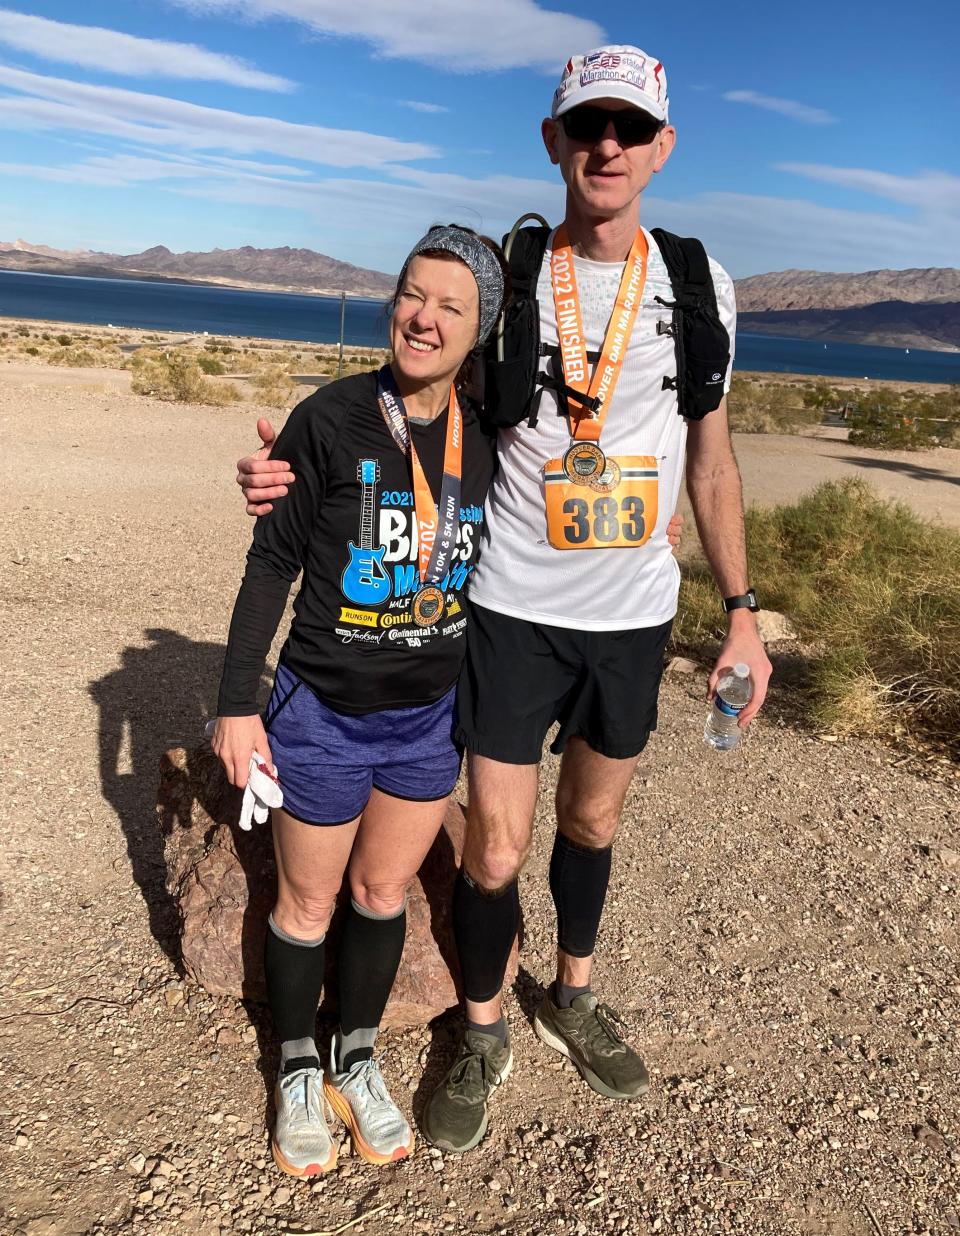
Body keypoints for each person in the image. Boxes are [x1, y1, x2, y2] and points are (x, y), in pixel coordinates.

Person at [237, 44, 772, 1154]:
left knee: (595, 819)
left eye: (630, 128)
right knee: (490, 848)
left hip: (632, 611)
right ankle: (484, 1027)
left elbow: (711, 460)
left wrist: (742, 609)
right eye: (587, 127)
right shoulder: (517, 278)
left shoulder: (702, 285)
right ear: (554, 143)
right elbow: (419, 394)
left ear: (663, 147)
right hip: (512, 607)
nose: (607, 146)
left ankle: (572, 993)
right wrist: (294, 467)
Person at [212, 225, 507, 1176]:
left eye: (450, 306)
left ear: (479, 331)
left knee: (382, 894)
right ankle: (299, 1068)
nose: (424, 317)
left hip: (427, 720)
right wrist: (235, 704)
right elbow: (271, 565)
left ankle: (358, 1055)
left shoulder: (491, 435)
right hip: (322, 711)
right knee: (308, 900)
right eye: (412, 295)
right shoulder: (330, 418)